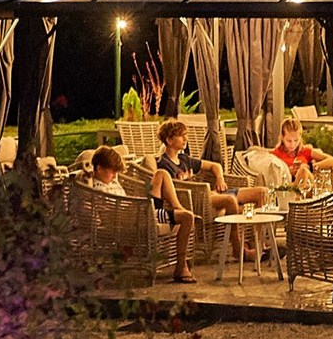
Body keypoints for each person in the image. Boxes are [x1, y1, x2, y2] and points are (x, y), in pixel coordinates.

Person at [156, 119, 265, 259]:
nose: (185, 139)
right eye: (181, 135)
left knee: (261, 193)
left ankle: (259, 245)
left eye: (185, 135)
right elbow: (172, 190)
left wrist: (220, 178)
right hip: (197, 198)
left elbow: (215, 166)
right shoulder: (164, 164)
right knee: (230, 200)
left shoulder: (184, 159)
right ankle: (238, 249)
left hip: (211, 193)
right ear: (169, 140)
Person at [90, 146, 197, 283]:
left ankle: (178, 207)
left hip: (141, 213)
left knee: (161, 174)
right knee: (187, 217)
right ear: (99, 168)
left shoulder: (111, 182)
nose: (115, 176)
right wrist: (136, 207)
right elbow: (111, 216)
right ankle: (181, 267)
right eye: (112, 171)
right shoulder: (98, 189)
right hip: (137, 218)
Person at [272, 117, 333, 188]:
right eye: (289, 141)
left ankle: (297, 191)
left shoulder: (305, 151)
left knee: (303, 171)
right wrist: (287, 171)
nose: (293, 144)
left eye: (296, 140)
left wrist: (311, 167)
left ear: (300, 137)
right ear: (282, 137)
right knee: (302, 172)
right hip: (287, 186)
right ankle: (295, 190)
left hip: (307, 185)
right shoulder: (275, 155)